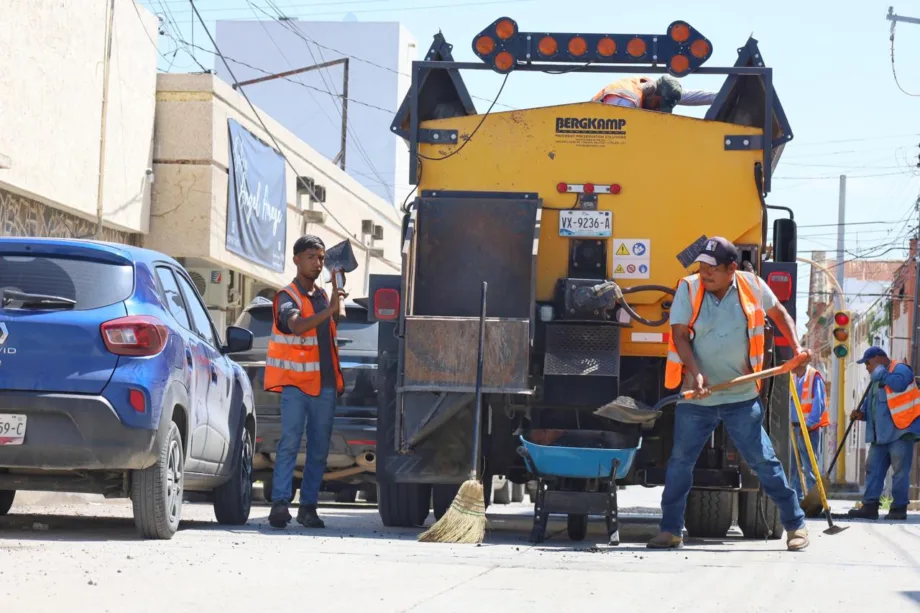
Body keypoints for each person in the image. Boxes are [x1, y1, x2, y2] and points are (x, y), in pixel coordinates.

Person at [647, 237, 811, 551]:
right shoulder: (689, 288)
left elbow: (779, 313)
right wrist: (695, 373)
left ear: (731, 269)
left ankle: (795, 525)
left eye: (712, 270)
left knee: (763, 461)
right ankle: (670, 530)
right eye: (701, 267)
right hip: (697, 397)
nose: (704, 274)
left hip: (741, 395)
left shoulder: (752, 286)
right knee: (680, 462)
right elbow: (680, 336)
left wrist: (797, 347)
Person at [264, 235, 346, 529]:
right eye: (311, 256)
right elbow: (296, 325)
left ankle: (308, 507)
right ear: (296, 259)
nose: (318, 262)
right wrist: (330, 309)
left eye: (322, 258)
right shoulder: (287, 297)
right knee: (289, 444)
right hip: (296, 386)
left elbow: (332, 331)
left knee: (319, 449)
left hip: (324, 385)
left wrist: (336, 297)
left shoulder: (324, 296)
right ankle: (280, 504)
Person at [847, 347, 920, 521]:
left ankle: (898, 508)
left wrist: (881, 374)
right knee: (873, 470)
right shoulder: (875, 379)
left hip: (900, 432)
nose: (866, 367)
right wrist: (861, 414)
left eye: (868, 363)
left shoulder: (900, 369)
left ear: (878, 358)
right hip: (880, 437)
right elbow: (871, 405)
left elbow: (899, 384)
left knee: (900, 472)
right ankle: (870, 507)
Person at [790, 363, 829, 501]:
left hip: (808, 429)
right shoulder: (793, 378)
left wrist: (808, 425)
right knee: (793, 468)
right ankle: (798, 500)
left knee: (810, 467)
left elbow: (819, 403)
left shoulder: (814, 377)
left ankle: (815, 501)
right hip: (794, 428)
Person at [591, 75, 717, 113]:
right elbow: (621, 135)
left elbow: (691, 96)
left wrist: (718, 97)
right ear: (653, 94)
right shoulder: (626, 101)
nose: (658, 110)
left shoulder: (656, 88)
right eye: (658, 104)